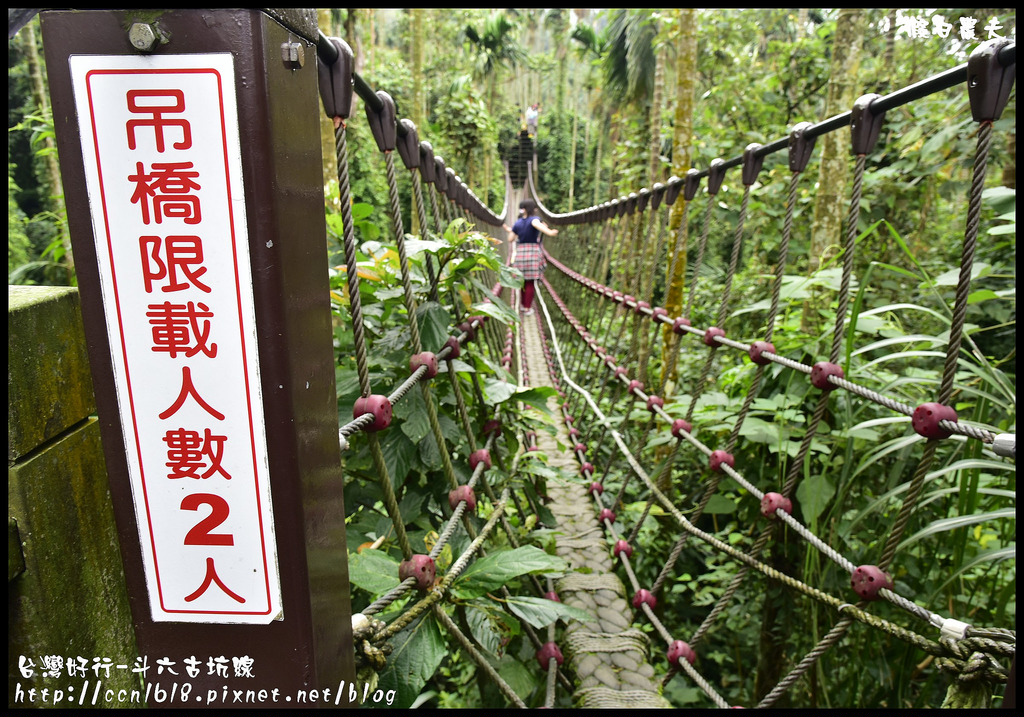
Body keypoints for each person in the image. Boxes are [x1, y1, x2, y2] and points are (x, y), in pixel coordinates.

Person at [504, 198, 557, 316]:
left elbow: (510, 239)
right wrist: (550, 232)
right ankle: (527, 308)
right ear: (533, 209)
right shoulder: (534, 220)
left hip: (520, 252)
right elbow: (539, 226)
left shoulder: (517, 223)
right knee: (530, 283)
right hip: (532, 252)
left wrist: (511, 230)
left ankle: (523, 306)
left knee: (522, 281)